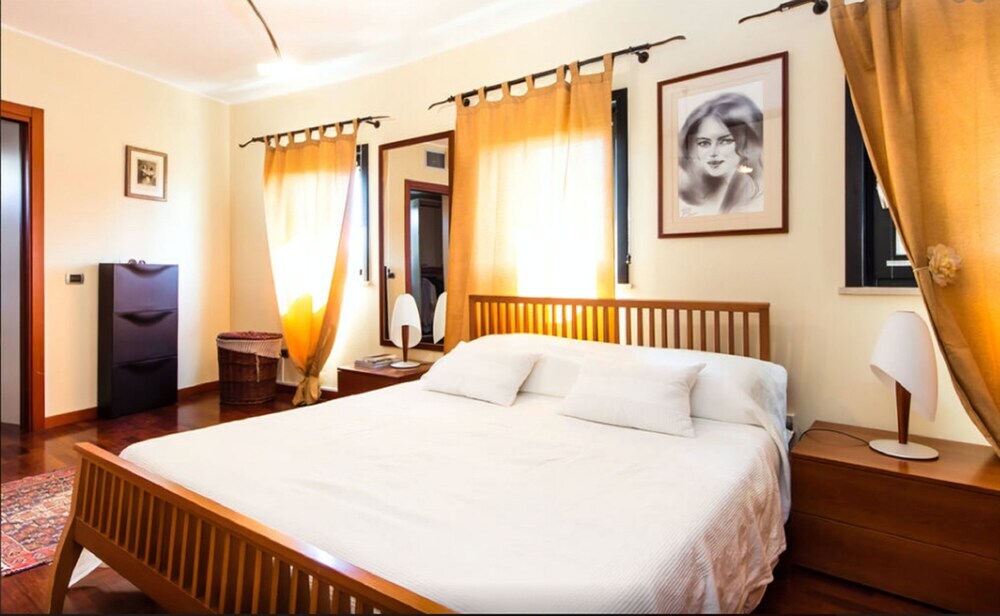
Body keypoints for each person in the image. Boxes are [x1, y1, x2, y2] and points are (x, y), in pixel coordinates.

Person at [677, 92, 764, 216]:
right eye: (704, 143)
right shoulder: (696, 190)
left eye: (725, 141)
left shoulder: (760, 192)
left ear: (747, 141)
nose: (713, 153)